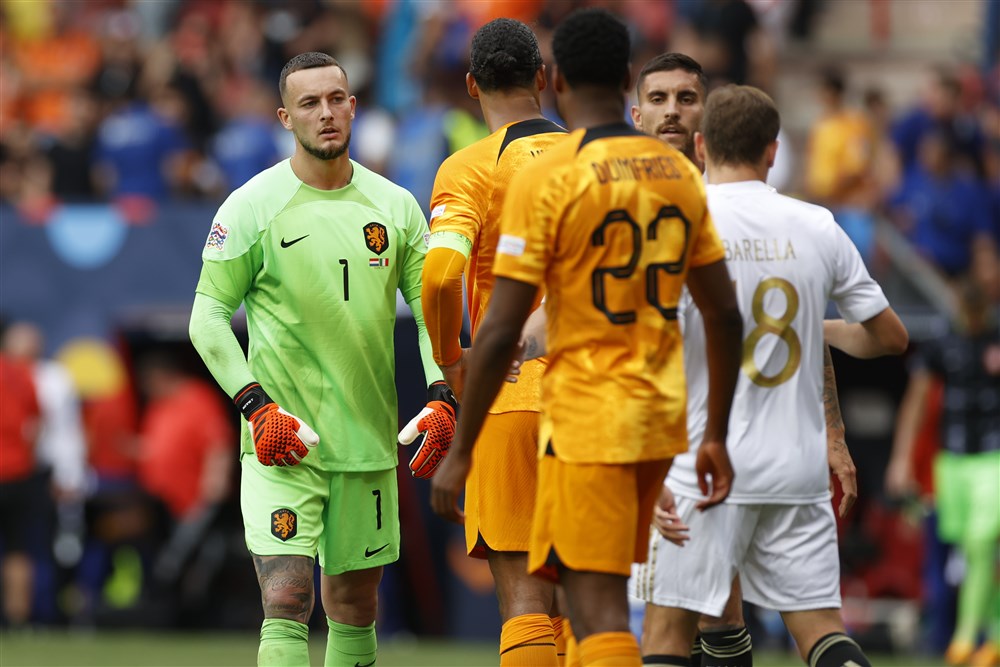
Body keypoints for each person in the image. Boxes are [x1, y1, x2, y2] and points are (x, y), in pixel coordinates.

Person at [431, 9, 744, 666]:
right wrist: (713, 430)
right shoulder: (677, 175)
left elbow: (491, 318)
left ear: (561, 79)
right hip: (655, 417)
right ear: (630, 80)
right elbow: (722, 313)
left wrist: (460, 433)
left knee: (566, 606)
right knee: (601, 606)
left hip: (567, 407)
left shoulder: (538, 176)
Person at [188, 52, 454, 667]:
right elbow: (205, 318)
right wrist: (256, 408)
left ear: (354, 106)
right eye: (309, 103)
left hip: (365, 444)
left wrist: (443, 393)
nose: (326, 113)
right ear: (286, 116)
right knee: (286, 598)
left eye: (336, 99)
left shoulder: (397, 207)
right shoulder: (252, 206)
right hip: (283, 444)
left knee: (355, 607)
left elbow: (434, 314)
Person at [630, 85, 909, 667]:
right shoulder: (817, 225)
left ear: (702, 146)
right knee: (823, 634)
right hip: (795, 467)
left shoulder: (677, 222)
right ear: (774, 151)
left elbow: (643, 354)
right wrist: (816, 327)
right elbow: (890, 338)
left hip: (700, 466)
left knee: (665, 636)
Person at [418, 18, 567, 667]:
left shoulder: (471, 167)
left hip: (510, 397)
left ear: (473, 85)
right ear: (543, 78)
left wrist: (453, 362)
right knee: (595, 602)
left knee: (527, 601)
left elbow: (442, 271)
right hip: (598, 398)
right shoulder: (593, 155)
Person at [886, 278, 999, 667]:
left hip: (993, 457)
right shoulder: (940, 345)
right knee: (967, 550)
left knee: (982, 543)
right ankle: (988, 636)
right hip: (951, 461)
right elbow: (915, 403)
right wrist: (901, 459)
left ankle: (967, 638)